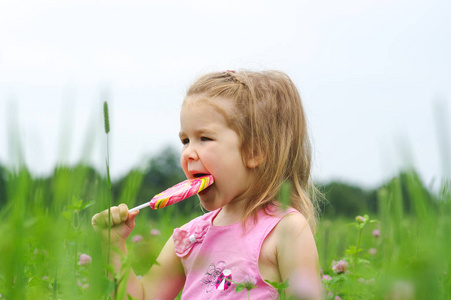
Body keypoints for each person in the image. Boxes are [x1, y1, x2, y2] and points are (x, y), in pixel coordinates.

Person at [92, 70, 322, 300]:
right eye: (185, 140)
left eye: (204, 138)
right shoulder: (189, 238)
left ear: (255, 151)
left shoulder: (285, 230)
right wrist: (112, 246)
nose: (189, 153)